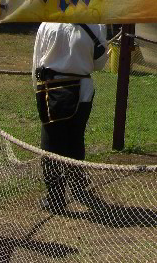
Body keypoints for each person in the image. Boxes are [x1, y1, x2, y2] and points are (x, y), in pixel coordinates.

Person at [33, 22, 108, 212]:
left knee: (50, 144)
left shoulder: (47, 24)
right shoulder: (96, 25)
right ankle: (76, 183)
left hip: (52, 91)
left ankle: (55, 197)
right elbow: (100, 63)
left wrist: (37, 89)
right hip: (83, 90)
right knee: (75, 138)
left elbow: (36, 61)